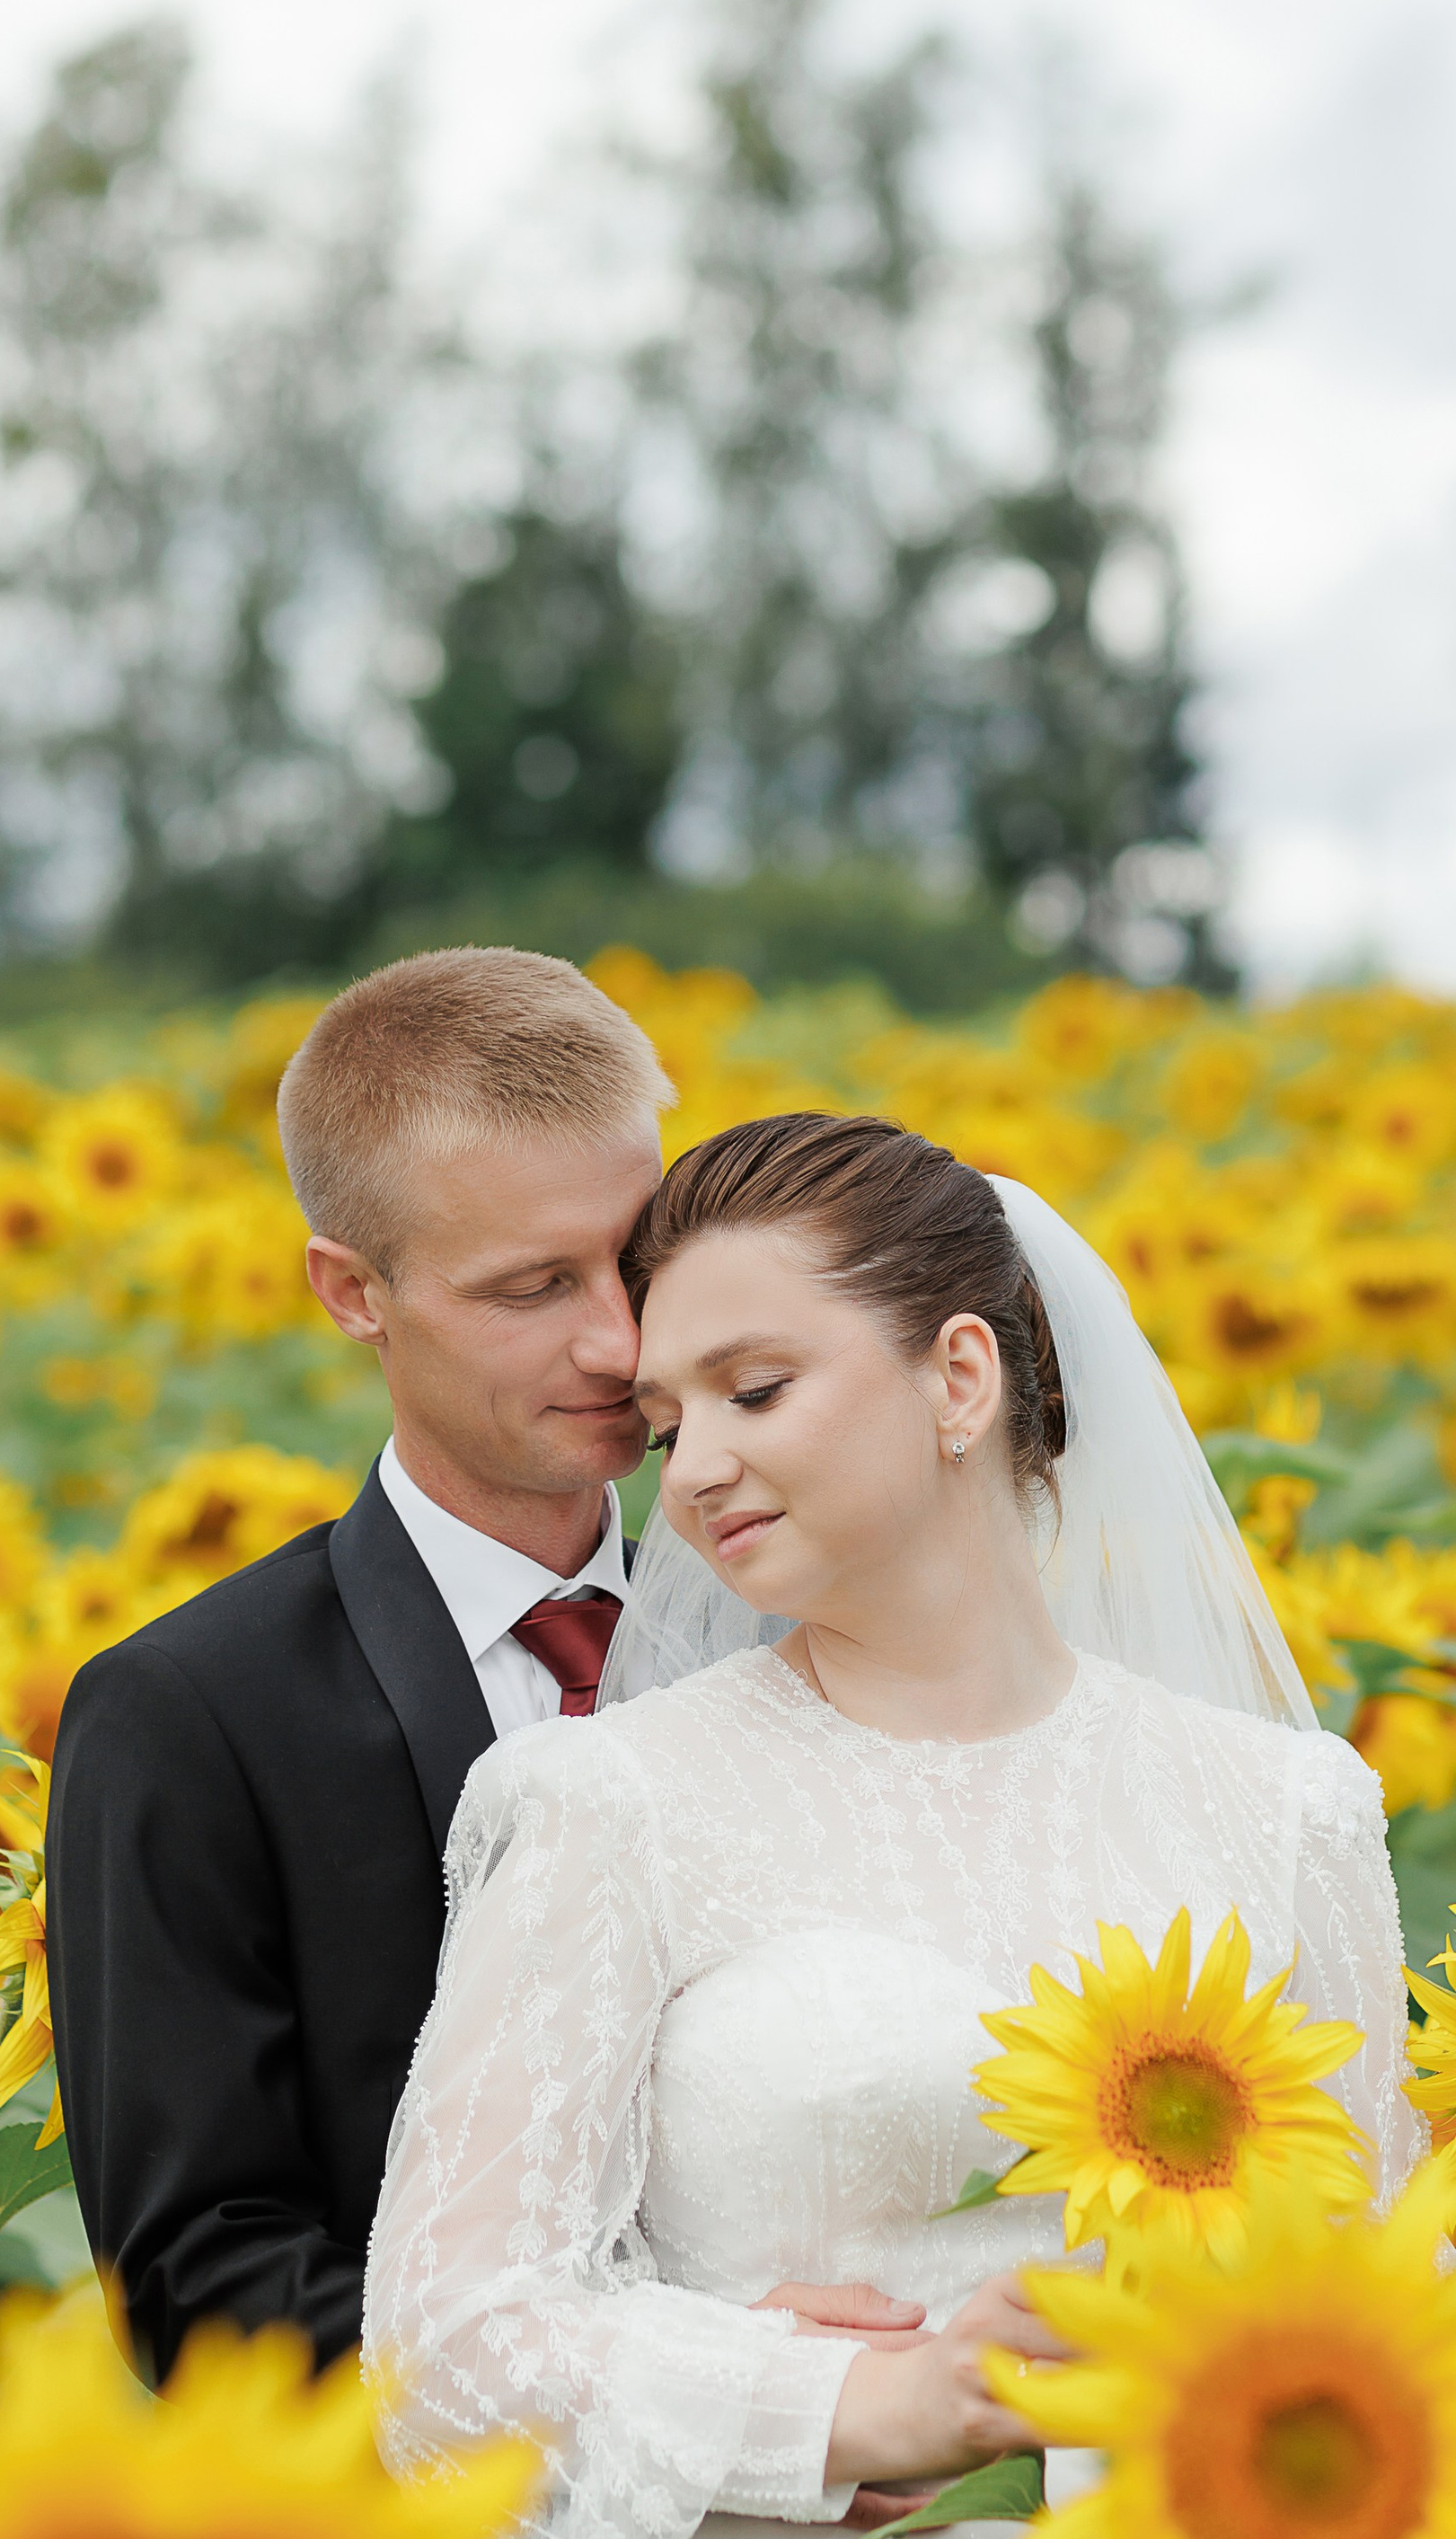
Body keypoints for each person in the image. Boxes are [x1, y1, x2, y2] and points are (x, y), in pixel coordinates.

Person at [365, 1112, 1456, 2539]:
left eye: (754, 1388)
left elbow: (1377, 2279)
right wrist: (833, 2406)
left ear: (957, 1374)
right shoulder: (603, 1806)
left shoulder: (1283, 1807)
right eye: (666, 1427)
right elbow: (445, 2346)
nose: (696, 1470)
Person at [49, 951, 923, 2392]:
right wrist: (706, 2384)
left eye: (634, 1261)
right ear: (353, 1291)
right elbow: (197, 2284)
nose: (615, 1340)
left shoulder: (805, 1636)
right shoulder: (190, 1717)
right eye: (528, 1287)